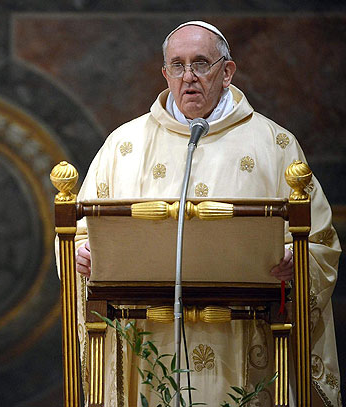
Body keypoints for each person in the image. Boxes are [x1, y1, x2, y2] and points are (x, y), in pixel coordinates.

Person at [74, 21, 341, 406]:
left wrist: (296, 260)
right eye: (178, 66)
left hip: (243, 344)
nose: (188, 77)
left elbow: (319, 242)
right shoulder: (124, 145)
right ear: (165, 74)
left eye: (200, 63)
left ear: (227, 71)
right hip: (149, 346)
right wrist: (83, 253)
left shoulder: (275, 144)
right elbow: (82, 232)